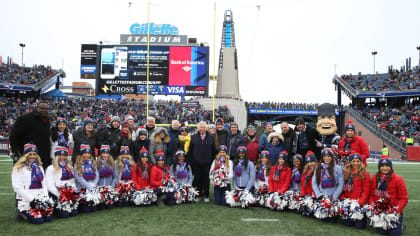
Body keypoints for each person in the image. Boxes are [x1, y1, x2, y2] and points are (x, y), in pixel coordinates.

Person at [11, 143, 50, 224]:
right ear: (25, 155)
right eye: (30, 154)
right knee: (38, 220)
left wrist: (45, 198)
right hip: (25, 199)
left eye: (34, 154)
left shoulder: (39, 167)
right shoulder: (18, 167)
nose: (32, 156)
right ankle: (21, 212)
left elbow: (44, 184)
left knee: (48, 218)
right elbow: (17, 187)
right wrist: (31, 199)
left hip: (39, 197)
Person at [369, 156, 407, 235]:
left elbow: (404, 198)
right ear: (379, 167)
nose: (384, 168)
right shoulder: (375, 178)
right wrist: (373, 206)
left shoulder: (398, 179)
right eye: (382, 166)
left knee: (394, 234)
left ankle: (400, 226)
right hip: (380, 210)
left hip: (393, 210)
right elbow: (372, 195)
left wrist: (396, 210)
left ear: (391, 167)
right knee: (382, 232)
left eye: (387, 166)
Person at [10, 100, 51, 169]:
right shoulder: (25, 118)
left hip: (42, 159)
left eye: (46, 109)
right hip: (28, 156)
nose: (44, 110)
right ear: (37, 108)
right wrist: (16, 152)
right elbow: (13, 136)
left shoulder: (47, 121)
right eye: (42, 108)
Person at [187, 121, 216, 203]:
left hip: (207, 163)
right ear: (198, 128)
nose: (202, 129)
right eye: (201, 127)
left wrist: (213, 161)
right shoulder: (193, 137)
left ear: (206, 128)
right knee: (197, 179)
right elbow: (190, 150)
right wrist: (191, 161)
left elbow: (213, 150)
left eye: (204, 127)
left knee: (206, 179)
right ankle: (198, 194)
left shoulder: (211, 137)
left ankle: (206, 195)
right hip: (196, 163)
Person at [45, 145, 77, 218]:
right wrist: (60, 194)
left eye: (64, 155)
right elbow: (49, 185)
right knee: (64, 215)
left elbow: (72, 182)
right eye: (60, 155)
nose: (62, 157)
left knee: (74, 213)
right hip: (57, 195)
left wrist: (72, 192)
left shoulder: (70, 167)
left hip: (69, 194)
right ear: (56, 156)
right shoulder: (51, 168)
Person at [341, 153, 371, 229]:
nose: (356, 163)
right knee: (347, 224)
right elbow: (341, 187)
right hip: (348, 201)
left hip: (359, 202)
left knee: (359, 226)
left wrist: (360, 203)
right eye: (353, 161)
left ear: (361, 162)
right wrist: (343, 199)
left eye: (358, 161)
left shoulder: (365, 173)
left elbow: (366, 190)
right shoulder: (345, 173)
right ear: (350, 162)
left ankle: (363, 217)